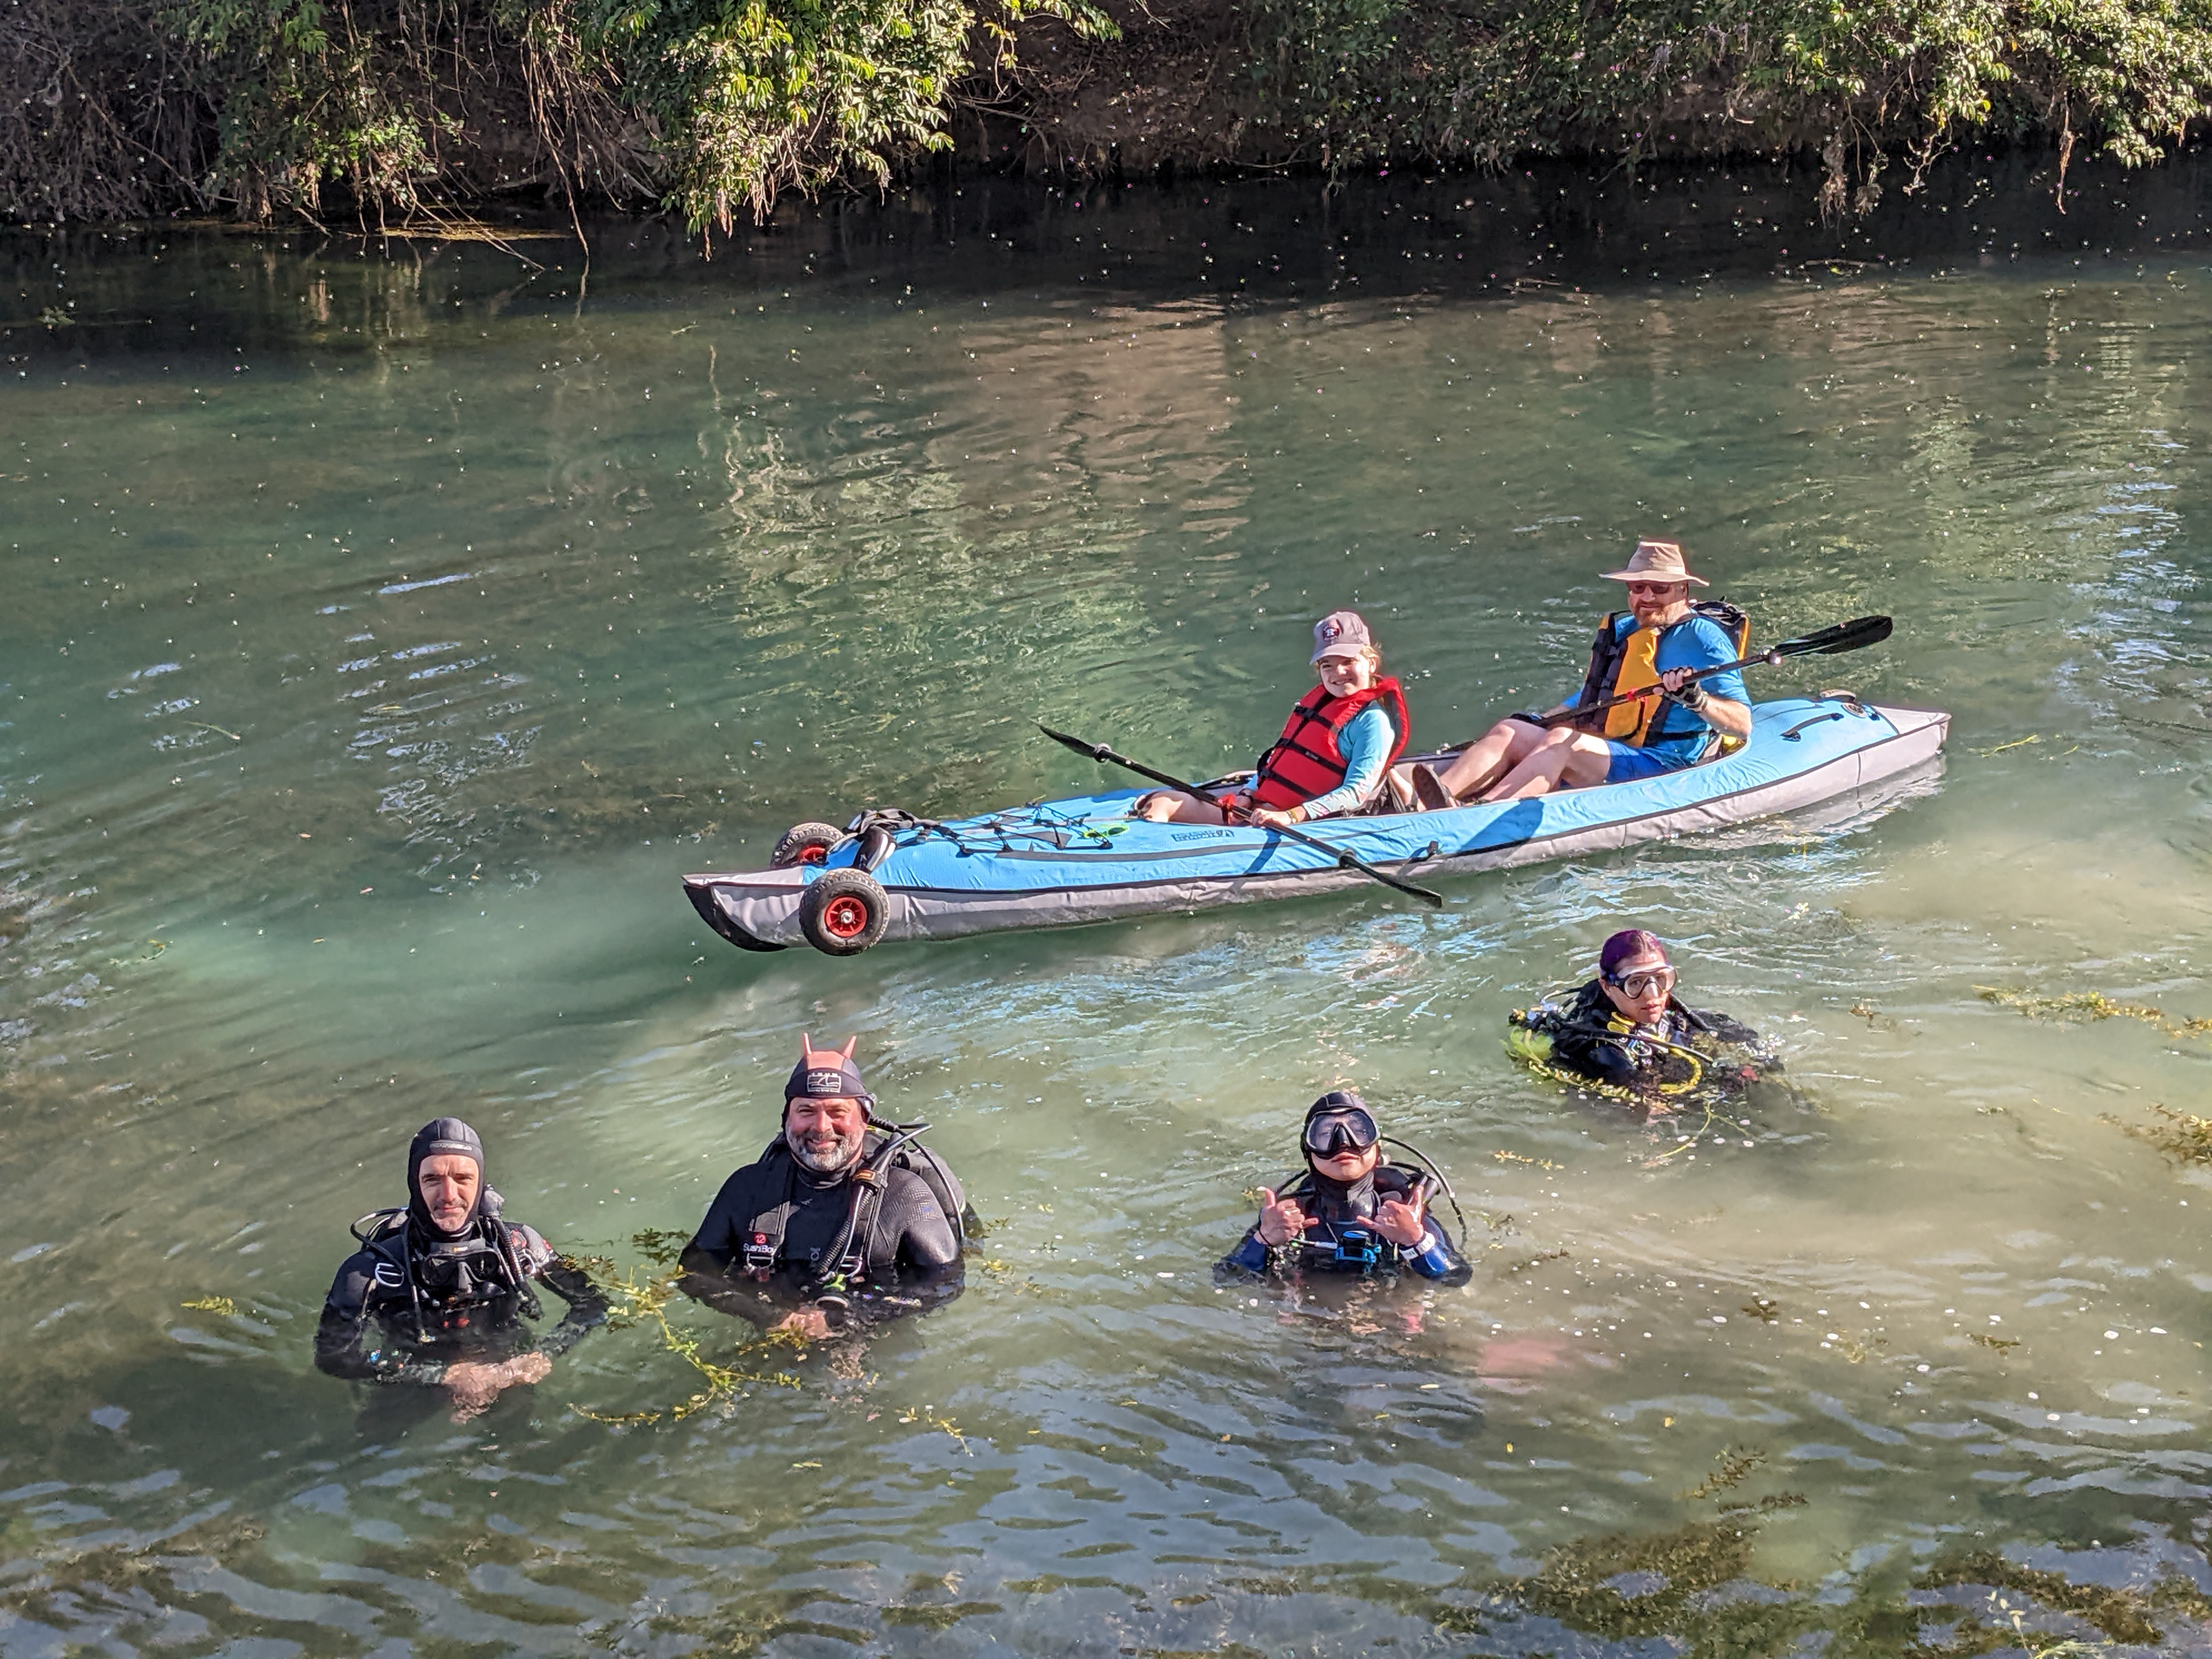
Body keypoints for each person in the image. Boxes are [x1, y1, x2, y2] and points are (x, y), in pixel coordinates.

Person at [1408, 540, 1750, 807]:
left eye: (1659, 589)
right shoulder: (1626, 628)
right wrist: (1542, 720)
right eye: (1637, 587)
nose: (1647, 597)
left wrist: (1698, 700)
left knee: (1561, 743)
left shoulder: (1703, 638)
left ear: (1682, 590)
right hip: (1612, 747)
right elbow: (1592, 699)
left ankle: (1479, 813)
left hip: (1662, 763)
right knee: (1511, 730)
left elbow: (1742, 723)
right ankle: (1425, 807)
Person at [315, 1119, 606, 1419]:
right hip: (411, 1374)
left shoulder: (519, 1246)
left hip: (508, 1369)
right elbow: (335, 1356)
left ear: (480, 1184)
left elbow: (593, 1304)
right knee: (371, 1450)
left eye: (463, 1178)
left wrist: (544, 1354)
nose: (449, 1195)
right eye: (432, 1179)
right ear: (415, 1184)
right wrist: (445, 1375)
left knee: (522, 1446)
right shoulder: (368, 1272)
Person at [681, 1036, 966, 1339]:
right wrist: (772, 1318)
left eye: (837, 1112)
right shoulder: (748, 1189)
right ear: (786, 1120)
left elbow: (946, 1283)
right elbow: (694, 1273)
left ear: (864, 1119)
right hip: (776, 1328)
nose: (821, 1127)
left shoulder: (905, 1195)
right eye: (806, 1111)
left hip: (870, 1334)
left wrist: (850, 1318)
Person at [1136, 611, 1410, 827]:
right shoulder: (1320, 704)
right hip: (1260, 807)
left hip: (1301, 821)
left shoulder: (1372, 722)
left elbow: (1355, 794)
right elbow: (1280, 760)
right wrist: (1250, 791)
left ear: (1371, 663)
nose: (1338, 672)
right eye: (1327, 665)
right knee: (1164, 802)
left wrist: (1291, 816)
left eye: (1348, 661)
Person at [1220, 1091, 1469, 1283]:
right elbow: (1227, 1277)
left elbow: (1455, 1277)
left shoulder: (1405, 1211)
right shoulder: (1290, 1217)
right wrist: (1263, 1240)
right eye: (1325, 1134)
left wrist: (1415, 1239)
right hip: (1315, 1327)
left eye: (1358, 1131)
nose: (1343, 1143)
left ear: (1377, 1148)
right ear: (1309, 1153)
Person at [1510, 929, 1776, 1098]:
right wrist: (1726, 1085)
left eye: (1661, 979)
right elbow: (1657, 1100)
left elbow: (1728, 1030)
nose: (1653, 995)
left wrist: (1759, 1062)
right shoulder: (1603, 1052)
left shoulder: (1668, 1011)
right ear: (1608, 987)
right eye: (1635, 983)